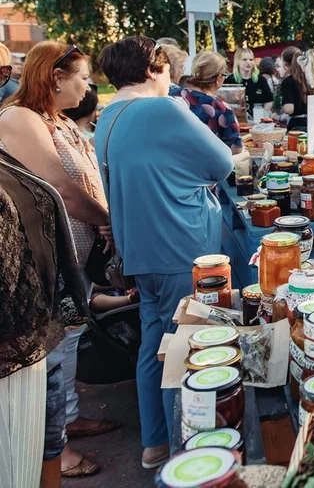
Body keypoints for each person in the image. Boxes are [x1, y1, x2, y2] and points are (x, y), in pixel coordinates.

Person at [94, 36, 233, 469]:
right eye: (168, 69)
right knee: (185, 347)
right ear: (154, 69)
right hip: (181, 241)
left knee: (153, 342)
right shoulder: (161, 108)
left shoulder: (107, 115)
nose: (172, 78)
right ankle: (182, 449)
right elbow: (223, 161)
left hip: (139, 247)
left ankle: (155, 443)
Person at [0, 41, 120, 479]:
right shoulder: (20, 118)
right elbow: (61, 189)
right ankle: (56, 451)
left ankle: (67, 422)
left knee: (67, 343)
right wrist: (108, 221)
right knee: (48, 355)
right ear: (55, 76)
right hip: (40, 263)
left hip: (72, 259)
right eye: (83, 77)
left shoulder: (57, 120)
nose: (88, 86)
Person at [170, 51, 243, 154]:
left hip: (168, 162)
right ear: (218, 79)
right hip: (203, 166)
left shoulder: (172, 95)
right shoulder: (222, 108)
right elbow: (235, 149)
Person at [226, 47, 272, 120]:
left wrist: (262, 115)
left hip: (257, 120)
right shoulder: (229, 80)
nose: (248, 62)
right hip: (235, 120)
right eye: (244, 60)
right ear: (237, 61)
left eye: (251, 60)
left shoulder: (260, 80)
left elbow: (269, 101)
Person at [280, 47, 309, 131]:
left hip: (296, 125)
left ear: (285, 64)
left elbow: (289, 109)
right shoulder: (311, 78)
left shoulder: (288, 82)